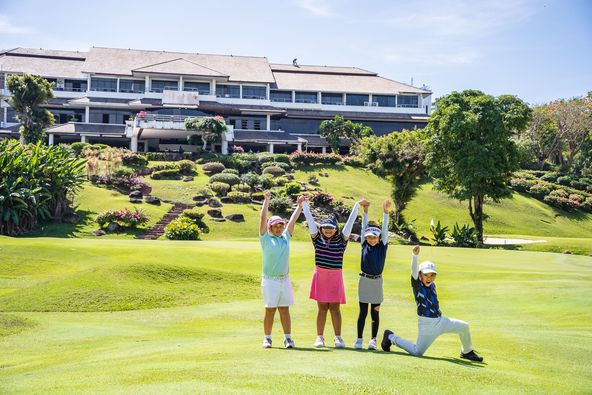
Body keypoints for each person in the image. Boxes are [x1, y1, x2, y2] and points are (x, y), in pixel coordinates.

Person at [381, 246, 484, 362]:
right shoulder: (417, 285)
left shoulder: (432, 285)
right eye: (426, 275)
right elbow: (414, 271)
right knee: (417, 352)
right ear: (420, 275)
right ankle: (390, 336)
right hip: (427, 324)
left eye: (432, 275)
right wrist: (415, 256)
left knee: (464, 326)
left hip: (440, 321)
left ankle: (467, 352)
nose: (429, 278)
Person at [301, 196, 361, 348]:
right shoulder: (317, 239)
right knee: (321, 309)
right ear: (321, 229)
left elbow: (349, 223)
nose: (328, 230)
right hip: (320, 276)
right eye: (325, 228)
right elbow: (309, 219)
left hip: (335, 277)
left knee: (335, 308)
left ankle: (338, 338)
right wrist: (304, 204)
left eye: (331, 228)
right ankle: (319, 337)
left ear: (336, 229)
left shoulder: (342, 241)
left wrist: (356, 206)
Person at [259, 192, 304, 349]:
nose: (279, 228)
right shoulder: (265, 238)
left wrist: (299, 206)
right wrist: (266, 201)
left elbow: (292, 220)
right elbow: (262, 219)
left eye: (280, 225)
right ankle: (267, 338)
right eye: (275, 226)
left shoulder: (286, 237)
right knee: (270, 310)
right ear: (270, 227)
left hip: (284, 279)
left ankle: (288, 339)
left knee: (285, 310)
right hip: (269, 280)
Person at [354, 199, 391, 350]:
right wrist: (365, 211)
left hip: (377, 282)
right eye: (369, 237)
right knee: (362, 312)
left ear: (379, 238)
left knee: (374, 313)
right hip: (364, 280)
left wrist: (386, 212)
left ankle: (373, 340)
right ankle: (359, 339)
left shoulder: (382, 246)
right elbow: (363, 228)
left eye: (374, 237)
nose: (371, 239)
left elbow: (385, 228)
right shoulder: (364, 244)